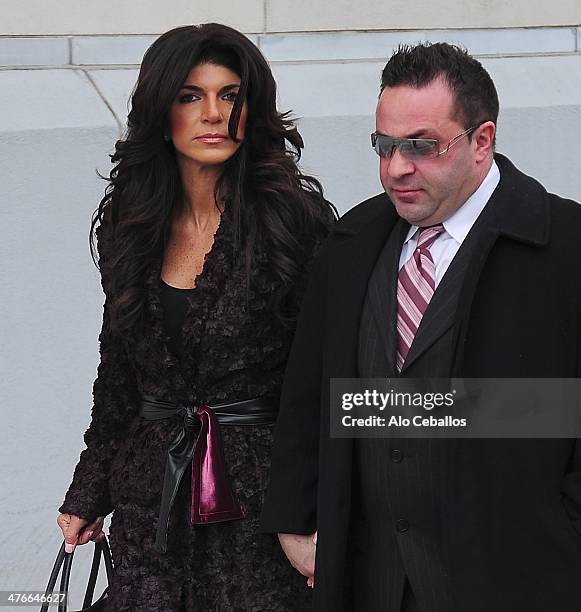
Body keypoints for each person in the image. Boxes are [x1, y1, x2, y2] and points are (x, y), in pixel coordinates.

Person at [261, 42, 581, 612]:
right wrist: (296, 518)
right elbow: (308, 391)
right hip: (371, 581)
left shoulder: (568, 248)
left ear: (482, 141)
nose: (397, 168)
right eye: (384, 147)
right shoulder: (350, 243)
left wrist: (561, 546)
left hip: (520, 582)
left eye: (422, 146)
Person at [57, 23, 335, 611]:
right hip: (150, 499)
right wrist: (88, 491)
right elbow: (120, 377)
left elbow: (322, 380)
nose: (213, 113)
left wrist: (313, 509)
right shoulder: (131, 228)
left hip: (260, 503)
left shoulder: (293, 222)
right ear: (162, 112)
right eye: (191, 95)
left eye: (230, 94)